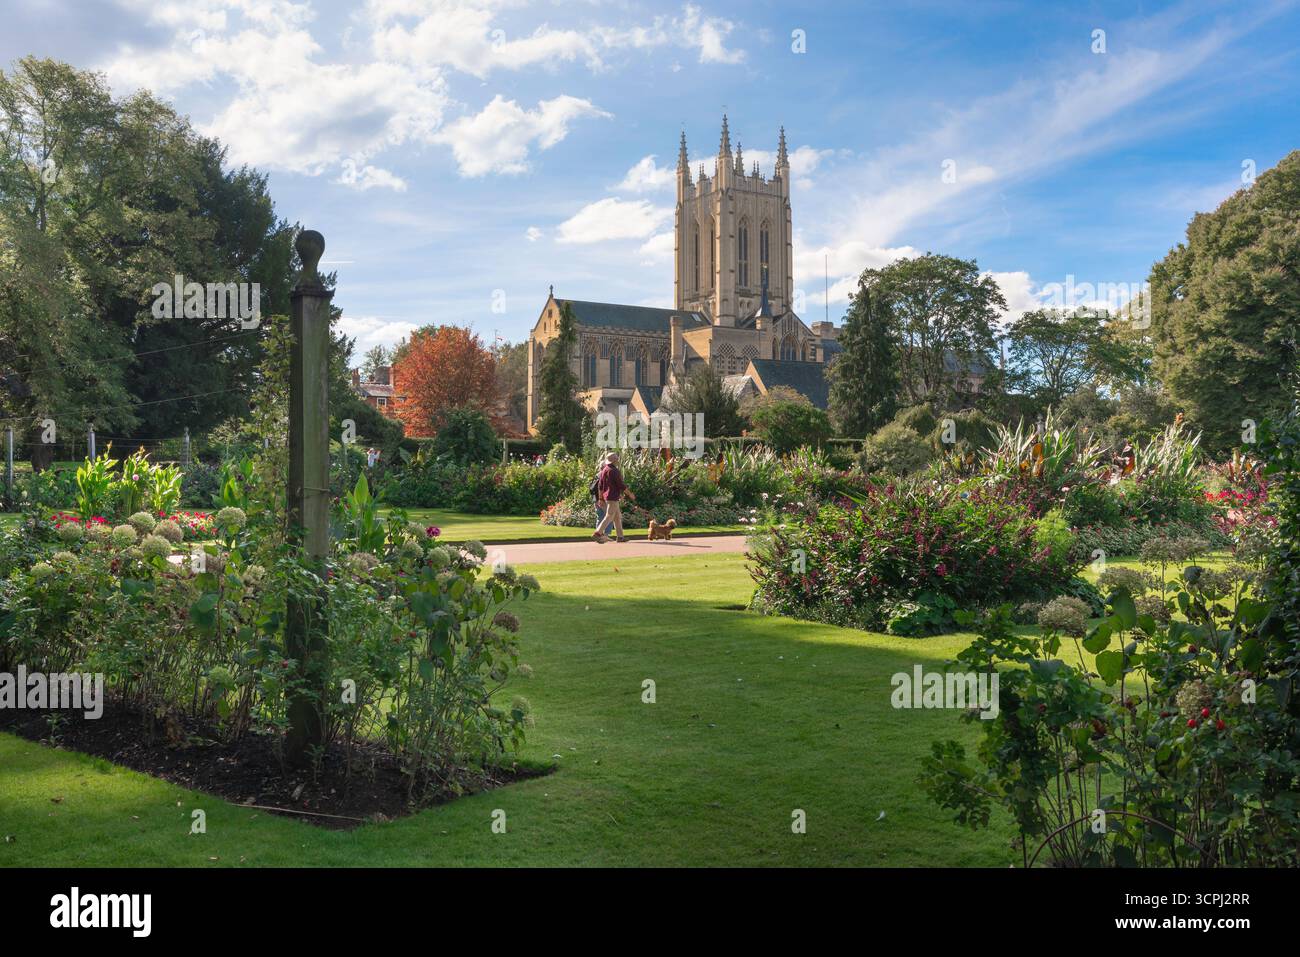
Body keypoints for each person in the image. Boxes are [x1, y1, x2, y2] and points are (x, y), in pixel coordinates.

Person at [593, 451, 634, 543]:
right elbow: (621, 485)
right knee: (609, 515)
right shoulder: (614, 471)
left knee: (617, 516)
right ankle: (598, 532)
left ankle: (620, 537)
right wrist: (630, 494)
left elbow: (600, 486)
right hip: (613, 497)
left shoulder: (604, 470)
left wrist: (600, 498)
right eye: (617, 459)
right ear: (615, 461)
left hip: (608, 497)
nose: (618, 461)